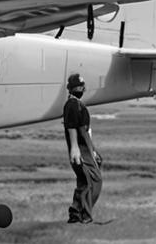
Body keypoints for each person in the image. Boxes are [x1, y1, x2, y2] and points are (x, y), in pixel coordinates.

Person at [62, 73, 103, 224]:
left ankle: (75, 212)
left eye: (82, 86)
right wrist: (74, 148)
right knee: (95, 180)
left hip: (85, 147)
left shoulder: (76, 104)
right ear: (71, 89)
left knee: (84, 181)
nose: (81, 89)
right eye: (78, 87)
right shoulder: (73, 105)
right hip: (80, 148)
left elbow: (85, 131)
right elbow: (72, 128)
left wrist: (93, 150)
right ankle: (85, 214)